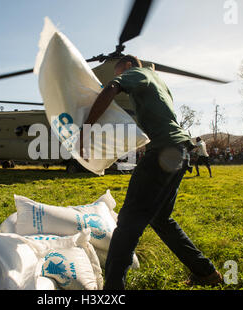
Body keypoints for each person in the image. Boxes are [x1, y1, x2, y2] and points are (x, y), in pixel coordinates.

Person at [80, 55, 222, 290]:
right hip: (180, 150)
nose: (119, 77)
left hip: (164, 151)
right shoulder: (155, 79)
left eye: (119, 72)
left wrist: (87, 127)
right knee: (161, 219)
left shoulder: (136, 73)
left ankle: (113, 290)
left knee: (128, 222)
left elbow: (111, 89)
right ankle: (205, 272)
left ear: (126, 66)